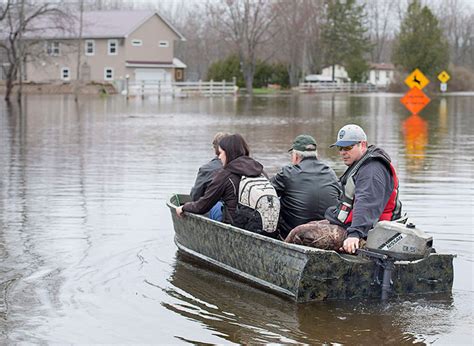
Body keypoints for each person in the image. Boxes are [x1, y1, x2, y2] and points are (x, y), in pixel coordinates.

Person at [285, 124, 402, 254]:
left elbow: (366, 202)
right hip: (351, 226)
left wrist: (354, 235)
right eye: (340, 148)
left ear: (362, 145)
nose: (343, 152)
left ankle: (281, 266)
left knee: (300, 234)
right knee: (306, 226)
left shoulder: (372, 169)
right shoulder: (362, 163)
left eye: (348, 147)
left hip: (369, 234)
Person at [176, 134, 264, 225]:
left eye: (221, 153)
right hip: (259, 225)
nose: (219, 157)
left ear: (229, 153)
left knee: (216, 205)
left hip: (235, 226)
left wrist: (183, 208)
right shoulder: (259, 171)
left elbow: (202, 206)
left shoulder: (224, 175)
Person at [270, 134, 340, 239]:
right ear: (316, 155)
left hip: (294, 235)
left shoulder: (287, 173)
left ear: (296, 156)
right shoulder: (330, 173)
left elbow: (268, 192)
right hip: (325, 235)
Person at [190, 132, 230, 220]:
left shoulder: (206, 169)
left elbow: (195, 197)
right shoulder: (243, 166)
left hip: (221, 212)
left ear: (216, 148)